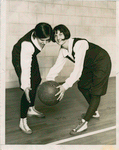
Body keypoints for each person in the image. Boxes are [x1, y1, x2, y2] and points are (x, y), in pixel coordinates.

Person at [46, 24, 112, 135]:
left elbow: (77, 70)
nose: (58, 37)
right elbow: (56, 67)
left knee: (96, 93)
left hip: (101, 62)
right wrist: (48, 82)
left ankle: (84, 123)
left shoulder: (79, 44)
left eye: (60, 34)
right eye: (55, 35)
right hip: (89, 65)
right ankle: (94, 111)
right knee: (82, 86)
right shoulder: (63, 50)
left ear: (66, 34)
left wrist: (64, 86)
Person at [12, 22, 52, 134]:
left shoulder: (47, 33)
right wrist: (25, 86)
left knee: (37, 80)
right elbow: (25, 69)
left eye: (47, 40)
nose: (45, 43)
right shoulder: (27, 45)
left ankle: (31, 108)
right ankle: (22, 121)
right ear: (35, 35)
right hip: (19, 56)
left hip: (31, 55)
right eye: (42, 40)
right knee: (29, 89)